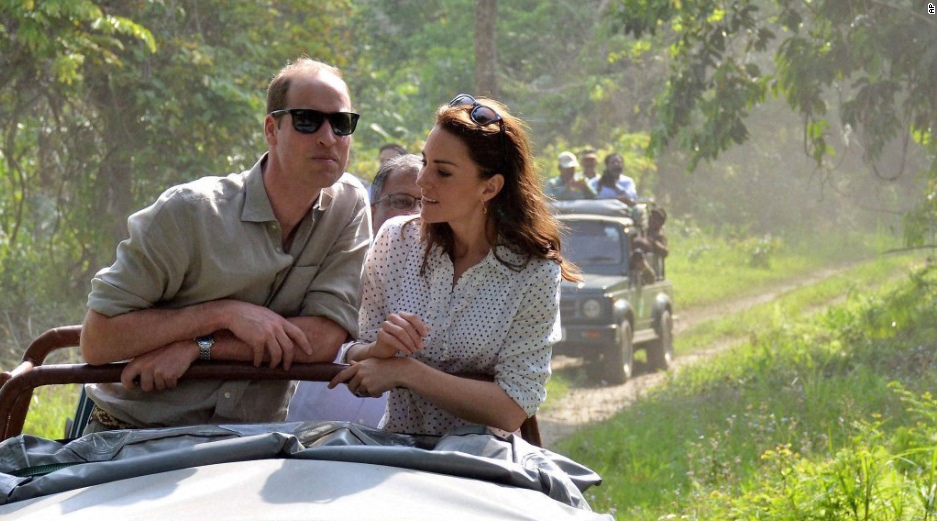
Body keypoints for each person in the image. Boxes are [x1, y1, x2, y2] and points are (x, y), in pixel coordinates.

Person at [78, 57, 372, 432]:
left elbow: (321, 341)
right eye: (306, 120)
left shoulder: (348, 205)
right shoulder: (190, 212)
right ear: (272, 129)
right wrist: (223, 313)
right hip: (136, 433)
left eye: (341, 123)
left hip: (248, 444)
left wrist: (200, 347)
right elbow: (98, 339)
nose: (328, 137)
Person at [328, 94, 578, 436]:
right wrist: (377, 350)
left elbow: (512, 408)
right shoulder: (395, 240)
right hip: (394, 456)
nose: (421, 181)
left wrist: (407, 372)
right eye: (425, 162)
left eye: (442, 172)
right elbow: (354, 358)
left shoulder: (535, 273)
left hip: (481, 471)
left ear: (490, 187)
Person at [286, 154, 423, 427]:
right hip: (303, 437)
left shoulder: (454, 286)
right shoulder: (333, 266)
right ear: (372, 212)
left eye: (426, 203)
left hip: (396, 453)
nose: (415, 215)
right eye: (403, 202)